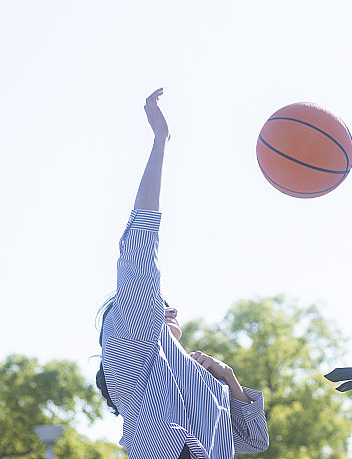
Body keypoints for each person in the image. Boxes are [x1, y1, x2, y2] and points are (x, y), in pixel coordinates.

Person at [96, 88, 269, 459]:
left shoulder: (194, 378)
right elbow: (139, 245)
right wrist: (160, 141)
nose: (171, 309)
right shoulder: (138, 335)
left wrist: (230, 380)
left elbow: (253, 441)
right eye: (159, 302)